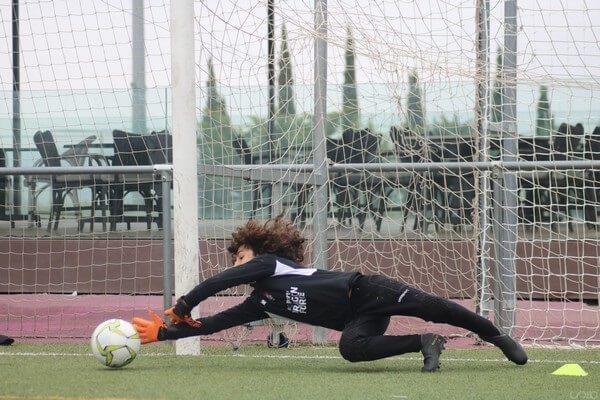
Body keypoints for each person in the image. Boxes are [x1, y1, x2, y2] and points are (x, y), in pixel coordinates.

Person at [133, 216, 527, 372]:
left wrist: (183, 304)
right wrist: (166, 334)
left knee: (432, 306)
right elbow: (214, 323)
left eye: (240, 256)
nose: (238, 264)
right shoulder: (260, 301)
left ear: (256, 249)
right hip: (357, 318)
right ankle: (425, 343)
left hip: (367, 289)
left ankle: (496, 336)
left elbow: (217, 282)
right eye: (237, 260)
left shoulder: (270, 263)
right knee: (352, 348)